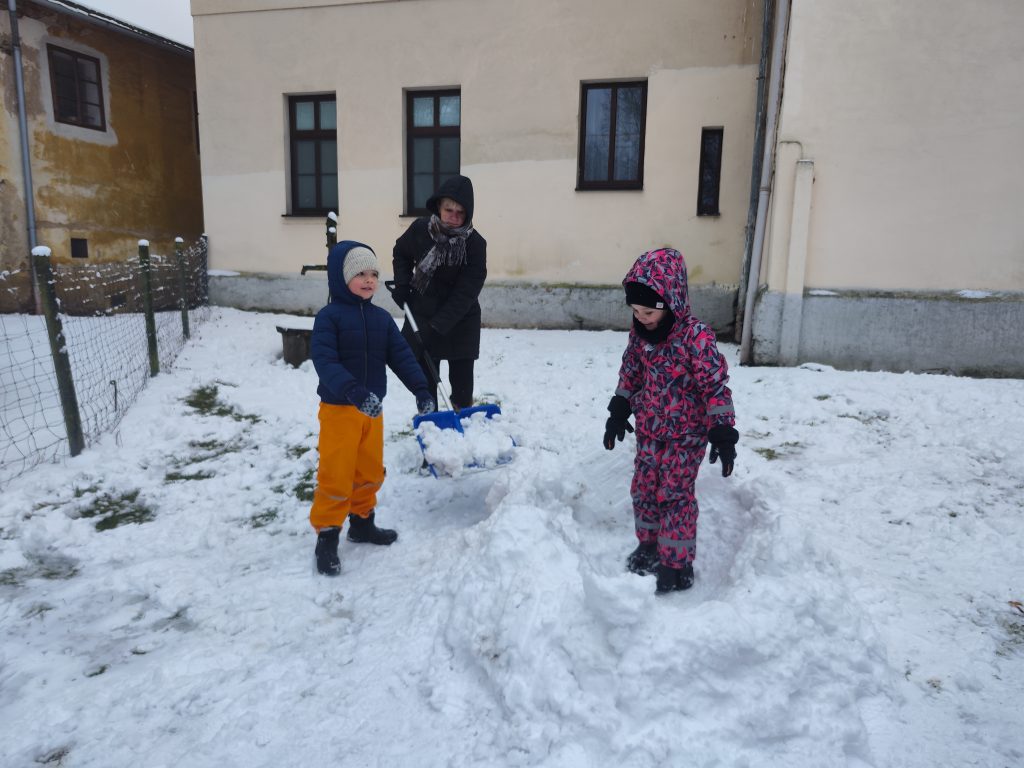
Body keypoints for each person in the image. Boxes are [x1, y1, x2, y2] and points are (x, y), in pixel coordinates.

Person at [602, 247, 739, 594]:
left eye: (648, 311)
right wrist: (619, 410)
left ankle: (677, 563)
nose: (642, 318)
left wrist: (723, 430)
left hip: (687, 435)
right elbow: (631, 373)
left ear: (671, 302)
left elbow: (715, 387)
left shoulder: (696, 338)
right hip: (650, 429)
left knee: (674, 494)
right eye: (635, 311)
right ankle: (649, 545)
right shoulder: (640, 335)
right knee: (644, 488)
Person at [308, 240, 436, 577]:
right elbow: (325, 361)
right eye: (360, 273)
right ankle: (327, 535)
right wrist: (352, 390)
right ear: (341, 278)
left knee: (369, 470)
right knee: (336, 473)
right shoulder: (329, 318)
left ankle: (362, 523)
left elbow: (402, 357)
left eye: (374, 274)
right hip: (339, 409)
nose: (369, 280)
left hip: (371, 411)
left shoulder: (381, 319)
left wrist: (421, 389)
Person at [390, 175, 487, 410]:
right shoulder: (421, 229)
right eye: (448, 210)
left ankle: (462, 411)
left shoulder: (475, 244)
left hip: (460, 318)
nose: (453, 217)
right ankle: (429, 417)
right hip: (422, 312)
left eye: (460, 212)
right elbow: (401, 253)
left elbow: (467, 291)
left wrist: (438, 324)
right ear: (439, 207)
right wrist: (402, 284)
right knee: (425, 375)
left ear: (468, 214)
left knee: (462, 380)